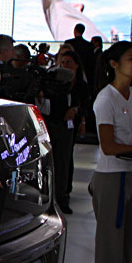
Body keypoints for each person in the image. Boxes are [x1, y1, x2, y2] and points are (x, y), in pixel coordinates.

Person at [89, 41, 132, 263]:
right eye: (131, 58)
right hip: (112, 178)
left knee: (131, 248)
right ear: (114, 64)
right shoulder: (106, 99)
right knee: (110, 248)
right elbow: (108, 146)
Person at [42, 51, 87, 214]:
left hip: (67, 126)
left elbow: (84, 103)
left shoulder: (80, 84)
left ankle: (62, 196)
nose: (65, 65)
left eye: (68, 62)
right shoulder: (50, 80)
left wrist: (76, 111)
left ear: (76, 65)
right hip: (52, 122)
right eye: (62, 62)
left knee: (64, 159)